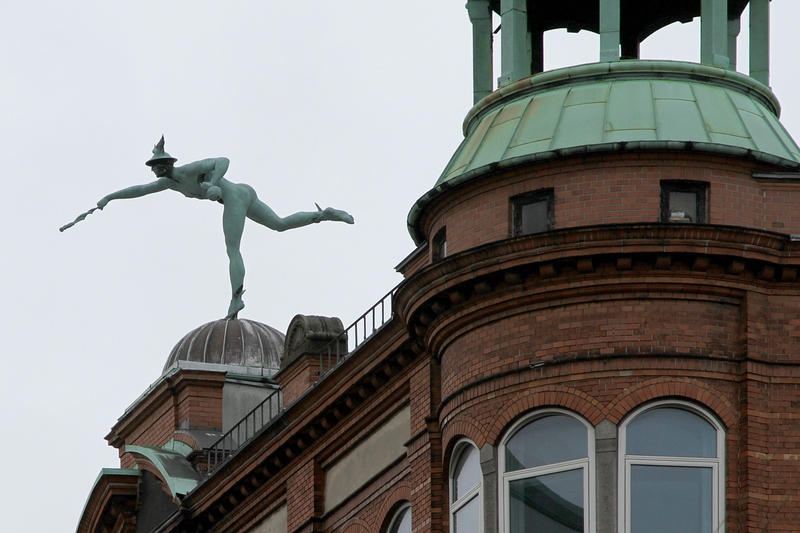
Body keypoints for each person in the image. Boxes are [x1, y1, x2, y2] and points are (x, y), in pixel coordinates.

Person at [93, 136, 354, 319]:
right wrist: (109, 198)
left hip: (234, 197)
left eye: (156, 166)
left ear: (166, 164)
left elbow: (223, 160)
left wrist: (214, 181)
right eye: (153, 167)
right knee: (280, 224)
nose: (154, 171)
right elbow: (139, 190)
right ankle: (324, 215)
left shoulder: (188, 171)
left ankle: (236, 298)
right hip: (241, 193)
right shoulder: (169, 184)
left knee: (233, 249)